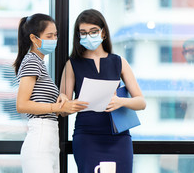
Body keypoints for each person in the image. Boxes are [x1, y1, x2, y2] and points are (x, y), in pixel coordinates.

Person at [59, 9, 146, 173]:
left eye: (93, 32)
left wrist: (121, 101)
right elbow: (63, 110)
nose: (88, 36)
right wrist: (71, 103)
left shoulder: (119, 62)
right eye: (83, 33)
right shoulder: (72, 64)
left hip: (119, 136)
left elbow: (141, 102)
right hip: (87, 136)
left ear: (103, 33)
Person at [14, 13, 88, 173]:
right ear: (34, 38)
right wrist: (56, 107)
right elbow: (22, 105)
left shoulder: (39, 63)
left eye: (55, 35)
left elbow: (42, 100)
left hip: (49, 139)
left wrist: (60, 99)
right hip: (40, 137)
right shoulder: (32, 61)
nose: (54, 39)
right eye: (49, 36)